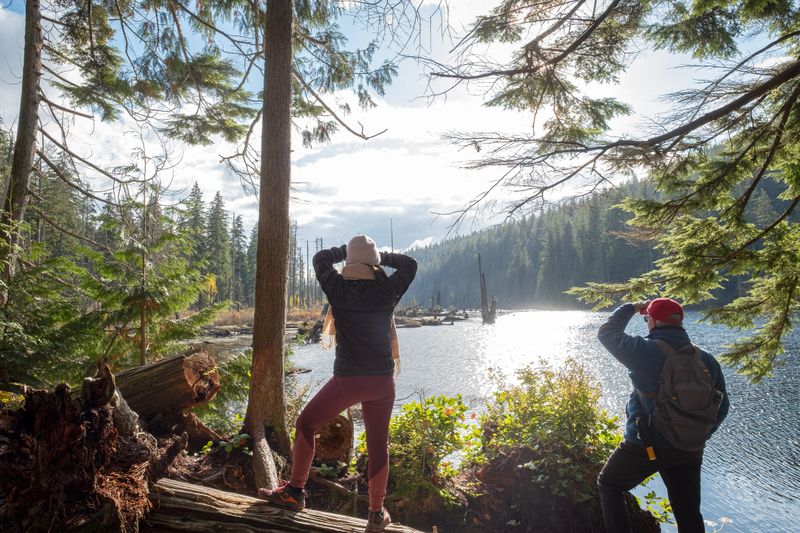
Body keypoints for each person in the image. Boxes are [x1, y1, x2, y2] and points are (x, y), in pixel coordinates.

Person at [259, 234, 417, 533]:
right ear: (373, 264)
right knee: (377, 445)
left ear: (349, 262)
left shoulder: (338, 289)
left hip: (348, 380)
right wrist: (379, 257)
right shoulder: (388, 290)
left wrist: (345, 252)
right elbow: (409, 263)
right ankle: (375, 513)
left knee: (306, 423)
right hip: (382, 382)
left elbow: (320, 259)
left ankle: (294, 492)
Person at [596, 298, 730, 533]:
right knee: (688, 512)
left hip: (647, 445)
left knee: (609, 484)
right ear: (680, 323)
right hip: (690, 449)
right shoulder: (706, 359)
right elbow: (723, 407)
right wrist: (697, 434)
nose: (647, 323)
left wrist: (632, 307)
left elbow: (607, 332)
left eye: (648, 319)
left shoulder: (644, 351)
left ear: (654, 321)